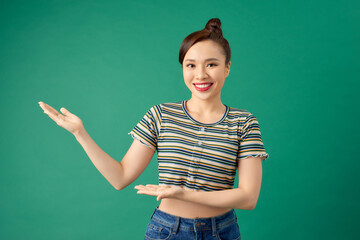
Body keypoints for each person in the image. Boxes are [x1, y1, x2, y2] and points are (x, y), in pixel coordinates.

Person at [38, 18, 269, 240]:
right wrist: (80, 133)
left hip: (222, 232)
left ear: (227, 68)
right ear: (183, 68)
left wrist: (184, 194)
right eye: (191, 65)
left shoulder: (244, 122)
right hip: (168, 232)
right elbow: (120, 177)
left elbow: (249, 198)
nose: (200, 74)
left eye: (212, 64)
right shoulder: (161, 115)